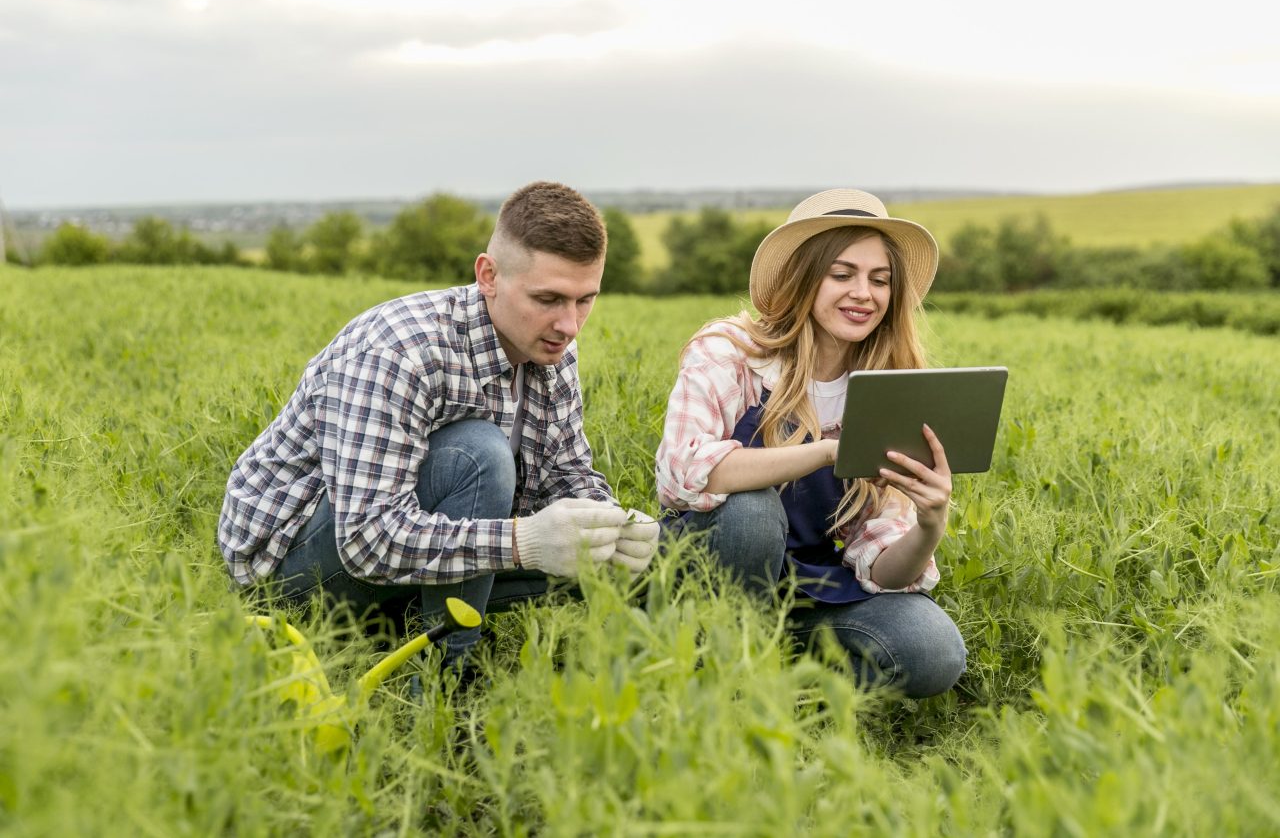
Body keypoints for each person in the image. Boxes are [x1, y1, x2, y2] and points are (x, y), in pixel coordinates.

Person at [219, 181, 660, 663]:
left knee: (582, 547)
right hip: (292, 573)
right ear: (488, 275)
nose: (570, 325)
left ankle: (410, 622)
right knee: (480, 454)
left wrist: (612, 525)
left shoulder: (552, 350)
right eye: (548, 299)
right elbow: (366, 541)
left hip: (401, 561)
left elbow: (566, 474)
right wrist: (521, 543)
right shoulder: (399, 352)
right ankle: (446, 681)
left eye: (585, 300)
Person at [655, 189, 966, 698]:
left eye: (879, 279)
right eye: (842, 274)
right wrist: (826, 451)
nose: (863, 293)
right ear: (803, 276)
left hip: (809, 587)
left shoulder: (888, 386)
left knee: (934, 650)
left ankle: (785, 690)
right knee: (751, 513)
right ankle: (716, 664)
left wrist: (930, 525)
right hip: (708, 569)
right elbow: (681, 472)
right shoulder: (732, 352)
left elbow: (883, 567)